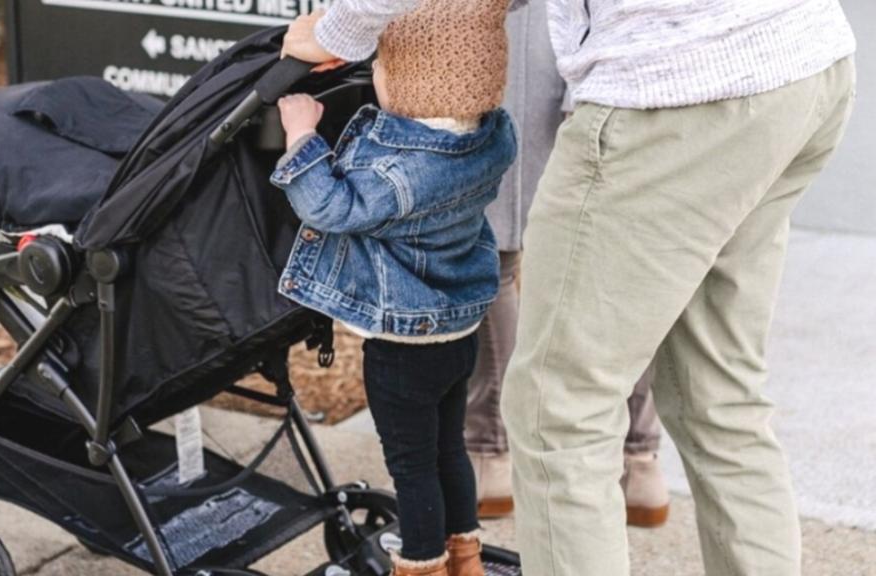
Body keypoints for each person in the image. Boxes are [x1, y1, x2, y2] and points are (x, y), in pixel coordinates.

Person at [283, 1, 857, 574]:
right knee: (721, 396)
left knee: (557, 411)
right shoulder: (489, 143)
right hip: (800, 56)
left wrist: (340, 30)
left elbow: (331, 204)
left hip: (677, 86)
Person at [272, 1, 516, 573]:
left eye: (381, 67)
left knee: (411, 467)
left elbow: (330, 206)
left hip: (404, 350)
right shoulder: (490, 139)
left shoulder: (399, 170)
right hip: (459, 334)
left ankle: (423, 564)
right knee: (448, 449)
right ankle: (466, 556)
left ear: (410, 84)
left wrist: (301, 135)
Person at [466, 0, 669, 527]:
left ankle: (491, 454)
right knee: (623, 264)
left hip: (531, 30)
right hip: (627, 36)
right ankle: (639, 461)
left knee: (497, 253)